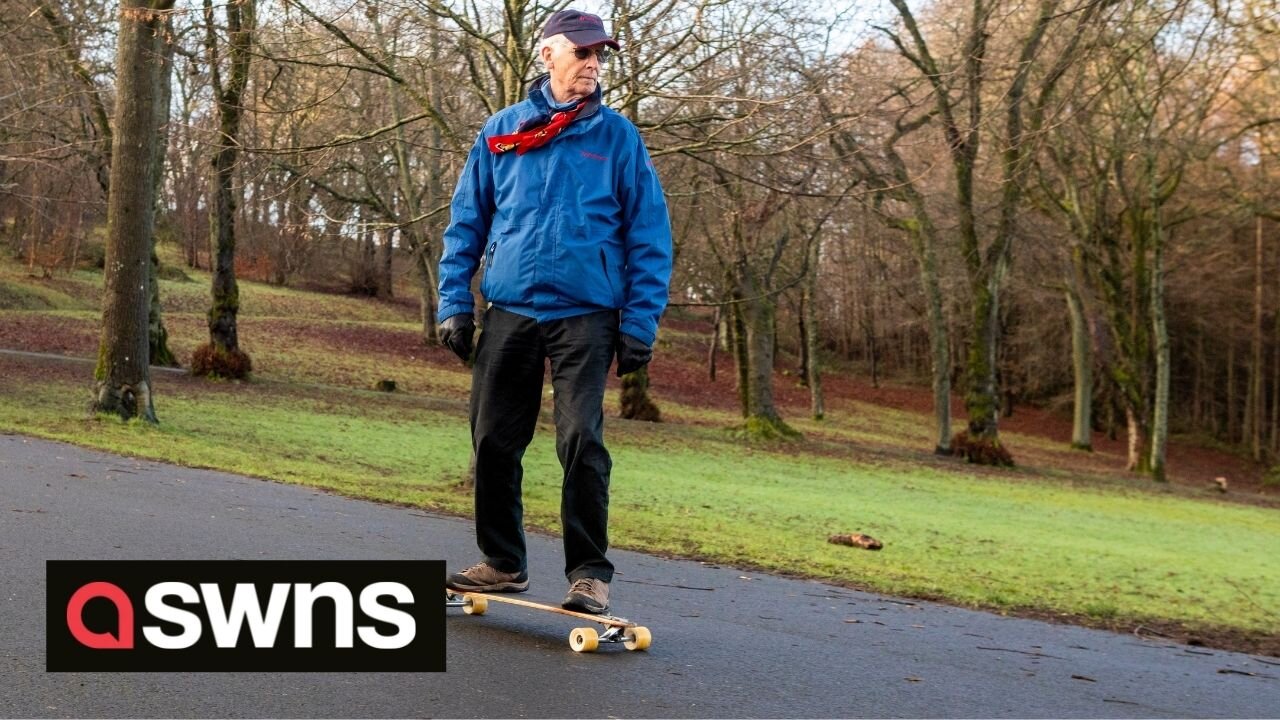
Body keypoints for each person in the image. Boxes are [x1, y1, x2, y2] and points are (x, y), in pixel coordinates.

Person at [436, 8, 673, 615]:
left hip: (587, 313)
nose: (593, 65)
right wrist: (454, 303)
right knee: (492, 437)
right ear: (548, 55)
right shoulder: (501, 132)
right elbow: (466, 223)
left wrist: (639, 321)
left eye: (600, 55)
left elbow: (649, 235)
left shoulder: (617, 138)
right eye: (583, 53)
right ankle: (502, 562)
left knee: (580, 441)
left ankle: (589, 574)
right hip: (510, 307)